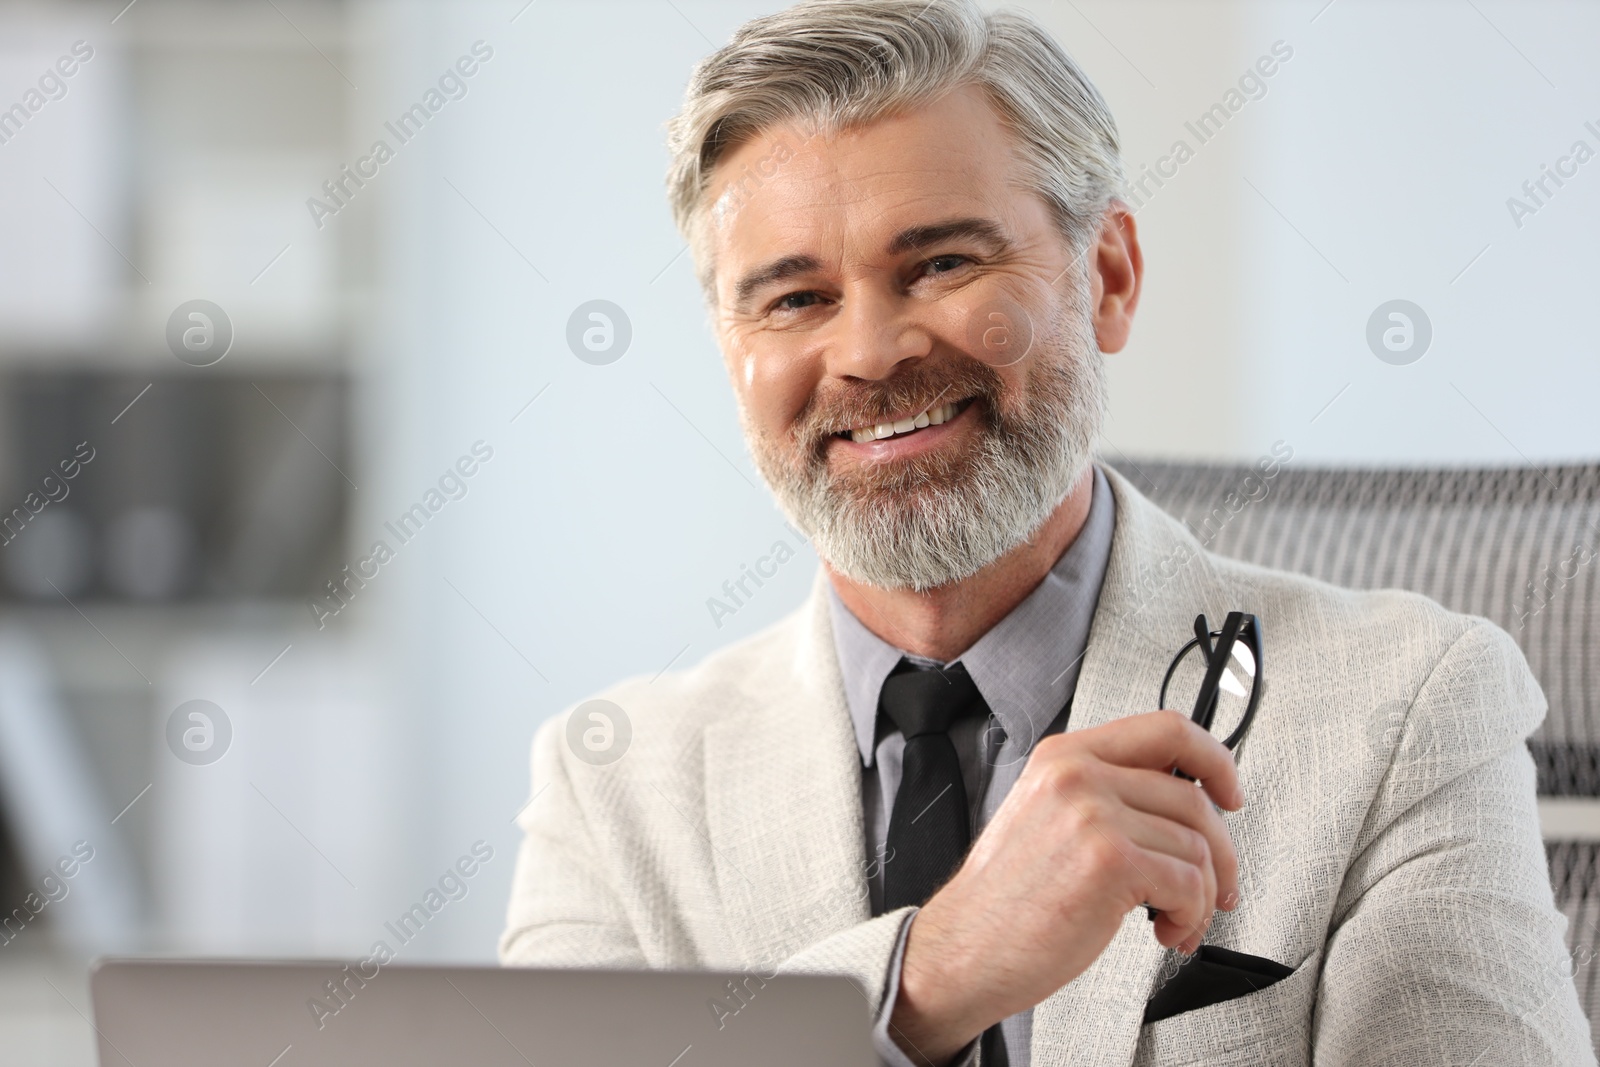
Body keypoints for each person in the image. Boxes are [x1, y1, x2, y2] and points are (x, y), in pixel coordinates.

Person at [500, 1, 1592, 1063]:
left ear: (1106, 276)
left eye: (940, 264)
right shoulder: (613, 785)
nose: (871, 352)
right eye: (793, 298)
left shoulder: (1404, 709)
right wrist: (927, 981)